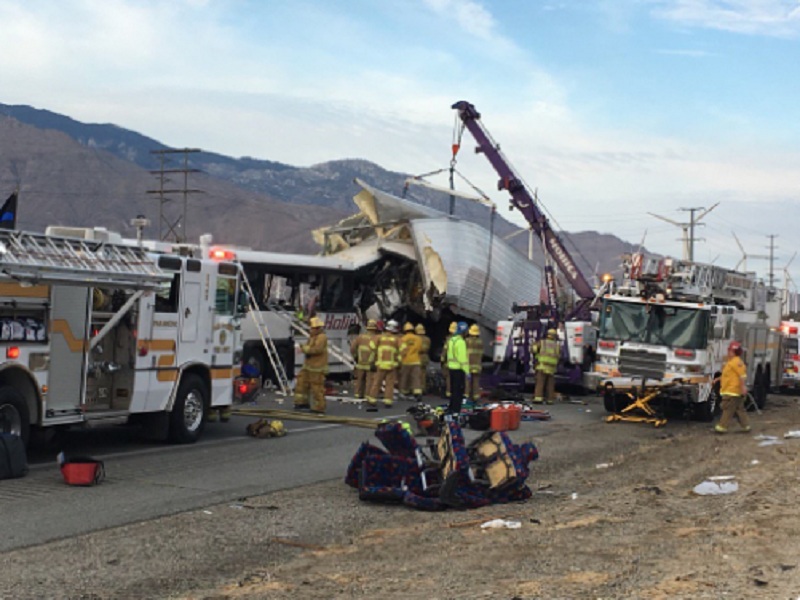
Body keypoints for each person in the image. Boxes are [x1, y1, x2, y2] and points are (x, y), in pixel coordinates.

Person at [292, 316, 329, 414]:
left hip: (317, 367)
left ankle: (319, 407)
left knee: (316, 387)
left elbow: (317, 349)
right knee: (301, 382)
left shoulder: (322, 337)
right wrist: (302, 347)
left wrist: (303, 349)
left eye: (312, 327)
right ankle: (301, 402)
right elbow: (309, 347)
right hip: (308, 365)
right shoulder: (312, 337)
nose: (310, 329)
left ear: (317, 328)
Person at [714, 340, 751, 434]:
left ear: (734, 352)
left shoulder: (737, 362)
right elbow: (727, 375)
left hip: (732, 391)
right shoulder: (731, 362)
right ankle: (746, 425)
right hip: (732, 390)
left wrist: (743, 387)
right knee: (739, 409)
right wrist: (717, 379)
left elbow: (742, 376)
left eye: (730, 350)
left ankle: (722, 427)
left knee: (727, 409)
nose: (728, 352)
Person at [367, 319, 400, 409]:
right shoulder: (397, 339)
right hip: (392, 365)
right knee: (390, 384)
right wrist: (398, 363)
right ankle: (388, 401)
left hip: (380, 364)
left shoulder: (379, 337)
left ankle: (372, 400)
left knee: (377, 382)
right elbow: (401, 352)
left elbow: (371, 347)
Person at [350, 319, 378, 401]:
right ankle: (367, 395)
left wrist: (355, 357)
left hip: (360, 362)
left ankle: (358, 394)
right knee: (369, 380)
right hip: (371, 364)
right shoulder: (376, 339)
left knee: (359, 379)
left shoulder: (360, 337)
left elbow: (352, 348)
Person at [446, 321, 470, 415]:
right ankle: (456, 410)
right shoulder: (461, 342)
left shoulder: (452, 340)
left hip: (451, 368)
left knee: (453, 390)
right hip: (459, 370)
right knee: (459, 392)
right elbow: (462, 359)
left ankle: (451, 408)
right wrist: (467, 372)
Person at [532, 328, 560, 405]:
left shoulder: (542, 342)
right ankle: (550, 400)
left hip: (542, 366)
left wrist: (533, 344)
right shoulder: (556, 345)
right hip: (551, 368)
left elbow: (534, 350)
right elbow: (559, 355)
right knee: (550, 385)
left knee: (540, 383)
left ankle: (538, 398)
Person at [399, 322, 423, 401]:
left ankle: (404, 391)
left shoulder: (403, 339)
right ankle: (417, 392)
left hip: (405, 361)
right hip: (416, 360)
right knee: (416, 378)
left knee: (404, 377)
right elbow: (420, 349)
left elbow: (401, 350)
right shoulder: (418, 338)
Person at [466, 324, 483, 403]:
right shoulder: (480, 342)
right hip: (477, 365)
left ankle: (467, 396)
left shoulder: (467, 341)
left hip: (468, 365)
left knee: (467, 382)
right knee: (476, 382)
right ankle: (475, 396)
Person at [441, 321, 457, 399]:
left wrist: (442, 359)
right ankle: (455, 392)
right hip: (457, 363)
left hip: (449, 362)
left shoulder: (448, 340)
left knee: (448, 378)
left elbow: (445, 351)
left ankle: (448, 393)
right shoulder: (460, 340)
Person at [416, 324, 431, 395]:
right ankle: (423, 388)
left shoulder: (415, 339)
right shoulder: (427, 339)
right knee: (423, 374)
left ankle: (417, 389)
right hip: (425, 358)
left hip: (417, 357)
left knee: (417, 374)